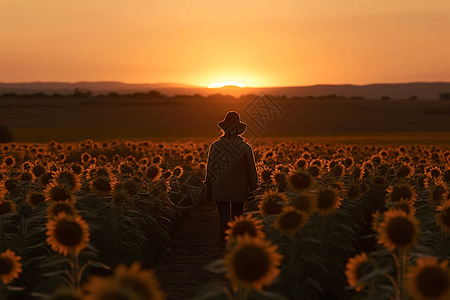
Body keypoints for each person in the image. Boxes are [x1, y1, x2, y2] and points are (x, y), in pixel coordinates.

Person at [202, 111, 258, 247]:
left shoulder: (216, 146)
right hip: (237, 189)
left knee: (225, 217)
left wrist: (209, 186)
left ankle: (224, 241)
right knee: (236, 217)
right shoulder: (245, 148)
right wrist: (254, 188)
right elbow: (251, 171)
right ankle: (233, 241)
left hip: (221, 187)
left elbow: (210, 169)